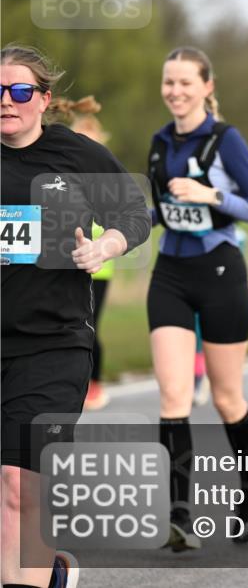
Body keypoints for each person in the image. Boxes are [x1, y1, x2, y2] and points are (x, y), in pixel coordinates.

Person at [2, 45, 151, 588]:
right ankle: (51, 571)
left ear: (43, 99)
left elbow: (135, 213)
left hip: (52, 344)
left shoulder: (75, 155)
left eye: (20, 91)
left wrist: (107, 246)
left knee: (21, 486)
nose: (7, 101)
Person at [147, 47, 248, 552]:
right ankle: (179, 514)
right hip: (171, 274)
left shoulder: (226, 140)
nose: (175, 91)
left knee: (225, 398)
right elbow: (158, 212)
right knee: (174, 395)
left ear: (207, 86)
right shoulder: (158, 143)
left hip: (220, 273)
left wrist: (213, 197)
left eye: (185, 83)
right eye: (168, 82)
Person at [49, 95, 116, 411]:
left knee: (90, 324)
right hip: (65, 263)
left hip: (98, 268)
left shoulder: (105, 178)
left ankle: (94, 383)